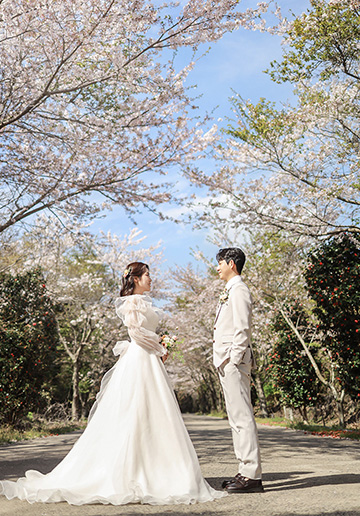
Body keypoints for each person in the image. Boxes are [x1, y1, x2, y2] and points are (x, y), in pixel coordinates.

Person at [0, 262, 225, 506]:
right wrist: (161, 346)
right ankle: (131, 472)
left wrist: (160, 345)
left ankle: (154, 470)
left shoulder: (142, 301)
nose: (151, 279)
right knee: (134, 413)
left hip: (148, 360)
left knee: (152, 415)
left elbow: (142, 331)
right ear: (136, 279)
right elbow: (136, 332)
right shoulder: (132, 302)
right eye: (147, 275)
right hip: (141, 359)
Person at [213, 248, 263, 493]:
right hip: (226, 361)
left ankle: (252, 475)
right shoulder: (229, 290)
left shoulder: (239, 290)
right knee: (236, 419)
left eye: (220, 263)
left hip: (233, 361)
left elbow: (242, 328)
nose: (217, 268)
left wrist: (233, 359)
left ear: (231, 263)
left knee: (242, 418)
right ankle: (244, 470)